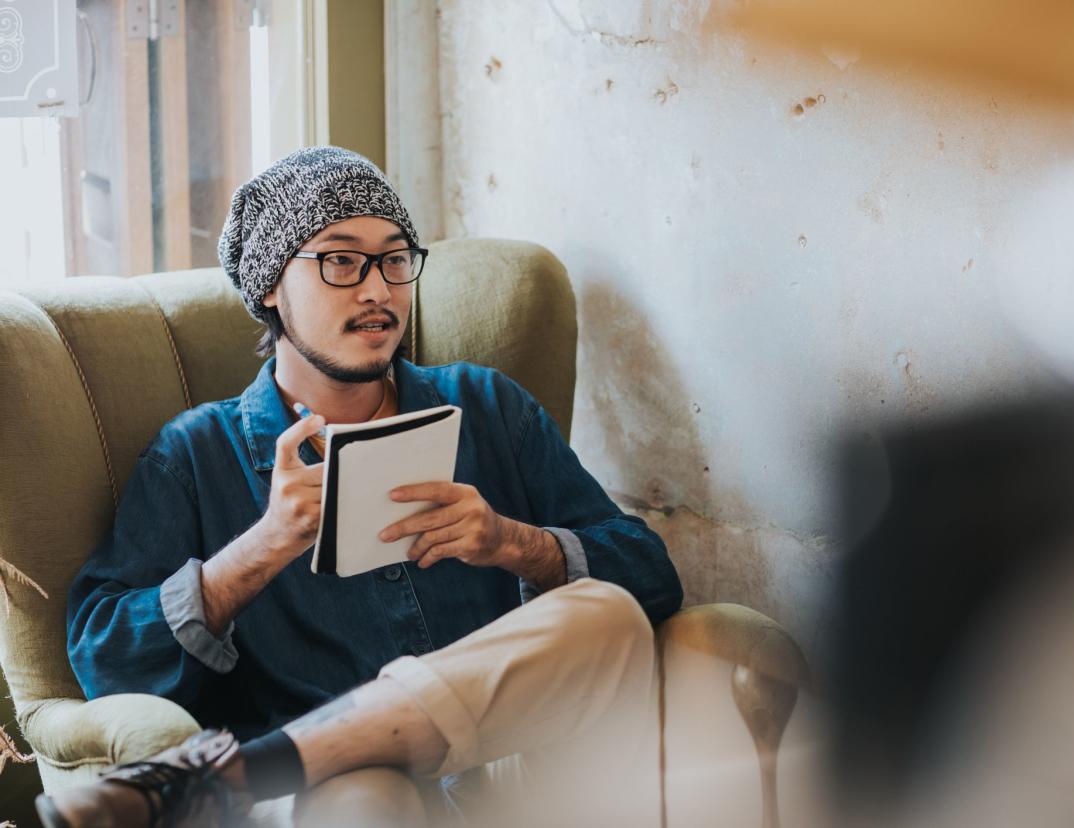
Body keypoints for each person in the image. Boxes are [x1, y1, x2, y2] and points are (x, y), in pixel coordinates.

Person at [38, 146, 683, 827]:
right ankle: (296, 763)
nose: (378, 290)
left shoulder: (487, 406)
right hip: (340, 794)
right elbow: (106, 662)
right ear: (269, 287)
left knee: (606, 616)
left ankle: (230, 776)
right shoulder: (195, 454)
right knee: (368, 797)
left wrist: (513, 543)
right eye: (340, 260)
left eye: (396, 258)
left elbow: (650, 577)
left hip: (512, 772)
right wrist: (260, 549)